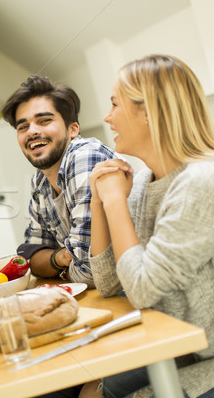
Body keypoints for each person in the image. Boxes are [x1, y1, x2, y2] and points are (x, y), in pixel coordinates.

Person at [87, 54, 214, 397]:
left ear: (147, 111)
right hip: (176, 347)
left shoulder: (200, 183)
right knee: (94, 388)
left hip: (206, 357)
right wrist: (99, 201)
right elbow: (109, 281)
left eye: (115, 104)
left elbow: (141, 289)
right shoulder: (143, 183)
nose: (106, 117)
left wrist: (115, 202)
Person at [2, 76, 119, 287]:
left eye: (44, 121)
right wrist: (61, 258)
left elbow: (89, 273)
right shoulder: (40, 180)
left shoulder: (84, 157)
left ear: (73, 129)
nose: (32, 131)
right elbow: (29, 259)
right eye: (23, 127)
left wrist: (58, 268)